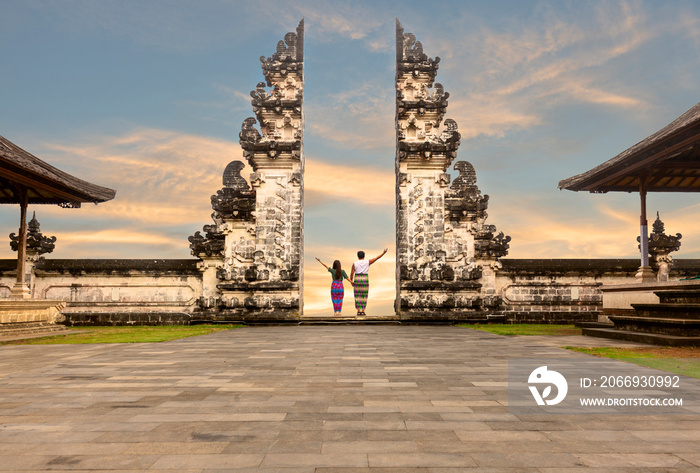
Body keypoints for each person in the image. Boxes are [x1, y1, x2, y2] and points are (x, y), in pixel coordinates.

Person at [350, 248, 387, 316]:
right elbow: (376, 258)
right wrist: (383, 253)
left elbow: (352, 273)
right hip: (365, 278)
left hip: (357, 278)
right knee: (364, 294)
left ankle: (358, 311)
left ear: (358, 256)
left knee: (357, 295)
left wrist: (351, 281)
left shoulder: (355, 263)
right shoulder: (367, 262)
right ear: (364, 256)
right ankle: (363, 311)